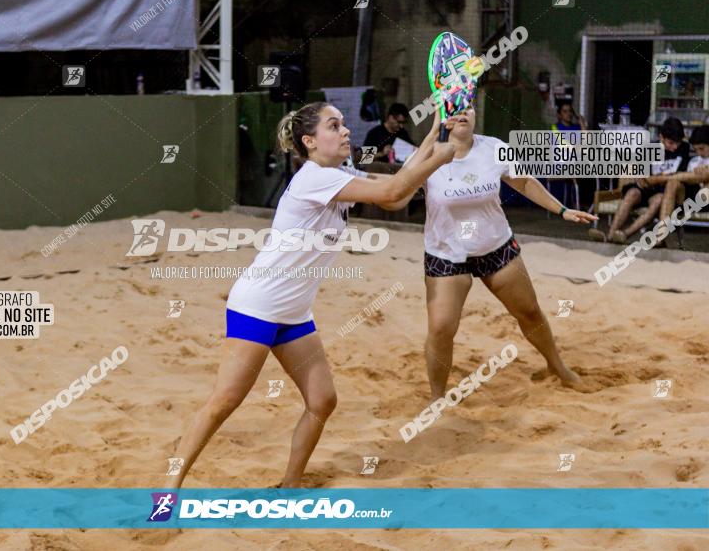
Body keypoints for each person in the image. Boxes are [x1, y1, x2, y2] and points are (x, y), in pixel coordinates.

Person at [165, 102, 455, 488]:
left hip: (294, 313)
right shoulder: (315, 178)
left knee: (322, 400)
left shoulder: (338, 174)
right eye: (334, 125)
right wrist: (440, 159)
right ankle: (167, 490)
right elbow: (394, 188)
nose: (346, 131)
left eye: (344, 124)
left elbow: (396, 195)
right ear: (310, 141)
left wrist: (435, 136)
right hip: (258, 306)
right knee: (223, 403)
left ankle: (290, 485)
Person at [421, 104, 597, 402]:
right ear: (443, 116)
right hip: (446, 255)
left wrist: (562, 210)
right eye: (455, 108)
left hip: (495, 247)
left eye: (469, 106)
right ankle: (437, 398)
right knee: (440, 329)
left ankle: (558, 368)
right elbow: (395, 192)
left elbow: (524, 181)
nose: (463, 112)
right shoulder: (428, 155)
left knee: (529, 312)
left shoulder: (493, 148)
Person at [590, 117, 691, 244]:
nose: (675, 147)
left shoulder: (684, 148)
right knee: (632, 193)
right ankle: (610, 235)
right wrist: (653, 179)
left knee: (659, 199)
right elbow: (645, 178)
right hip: (647, 189)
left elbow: (680, 175)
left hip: (666, 193)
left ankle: (625, 234)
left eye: (678, 142)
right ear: (661, 137)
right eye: (671, 143)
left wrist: (656, 179)